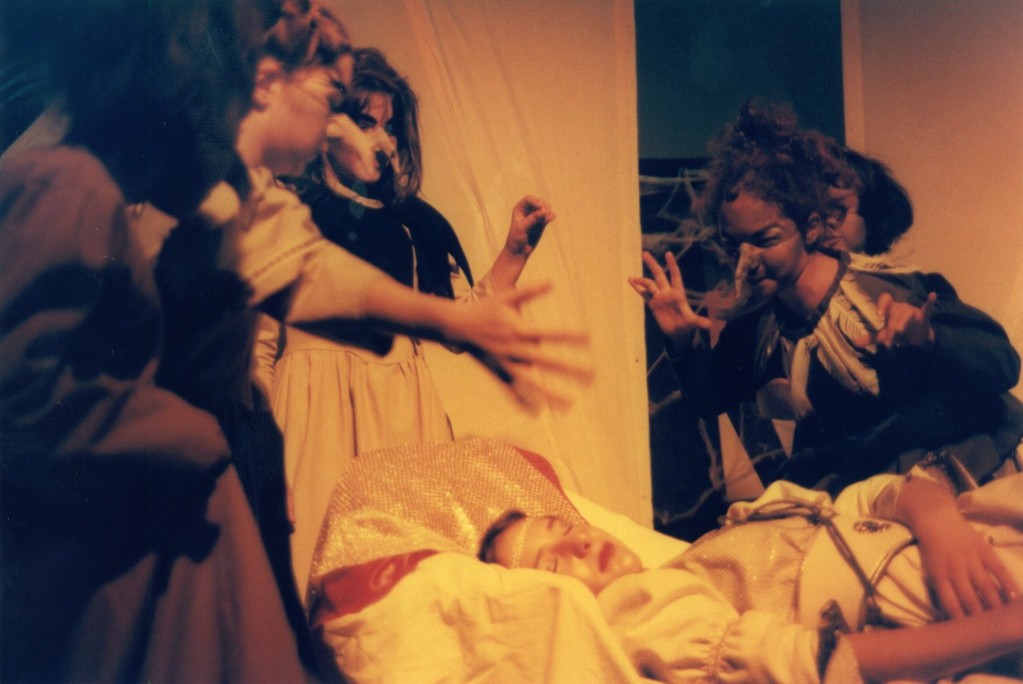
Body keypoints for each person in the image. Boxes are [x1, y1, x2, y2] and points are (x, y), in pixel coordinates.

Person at [0, 1, 312, 681]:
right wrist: (184, 432)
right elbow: (19, 390)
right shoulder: (69, 187)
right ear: (182, 90)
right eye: (235, 93)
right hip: (113, 591)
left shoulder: (88, 194)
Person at [254, 47, 559, 597]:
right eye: (366, 123)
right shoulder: (286, 209)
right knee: (312, 575)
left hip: (399, 416)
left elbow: (458, 323)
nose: (382, 141)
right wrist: (261, 451)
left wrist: (515, 250)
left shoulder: (415, 226)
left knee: (404, 579)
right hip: (315, 416)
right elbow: (256, 347)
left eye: (390, 127)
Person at [630, 102, 1020, 493]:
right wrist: (682, 341)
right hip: (866, 480)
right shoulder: (761, 323)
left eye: (765, 240)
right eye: (733, 246)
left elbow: (1004, 364)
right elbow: (711, 397)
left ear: (812, 228)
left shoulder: (880, 292)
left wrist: (931, 339)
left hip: (961, 464)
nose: (744, 262)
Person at [479, 459, 1023, 682]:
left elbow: (876, 493)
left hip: (973, 540)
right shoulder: (638, 614)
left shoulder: (729, 528)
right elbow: (808, 664)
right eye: (553, 562)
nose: (578, 541)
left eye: (561, 525)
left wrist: (939, 521)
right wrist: (1004, 627)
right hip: (945, 634)